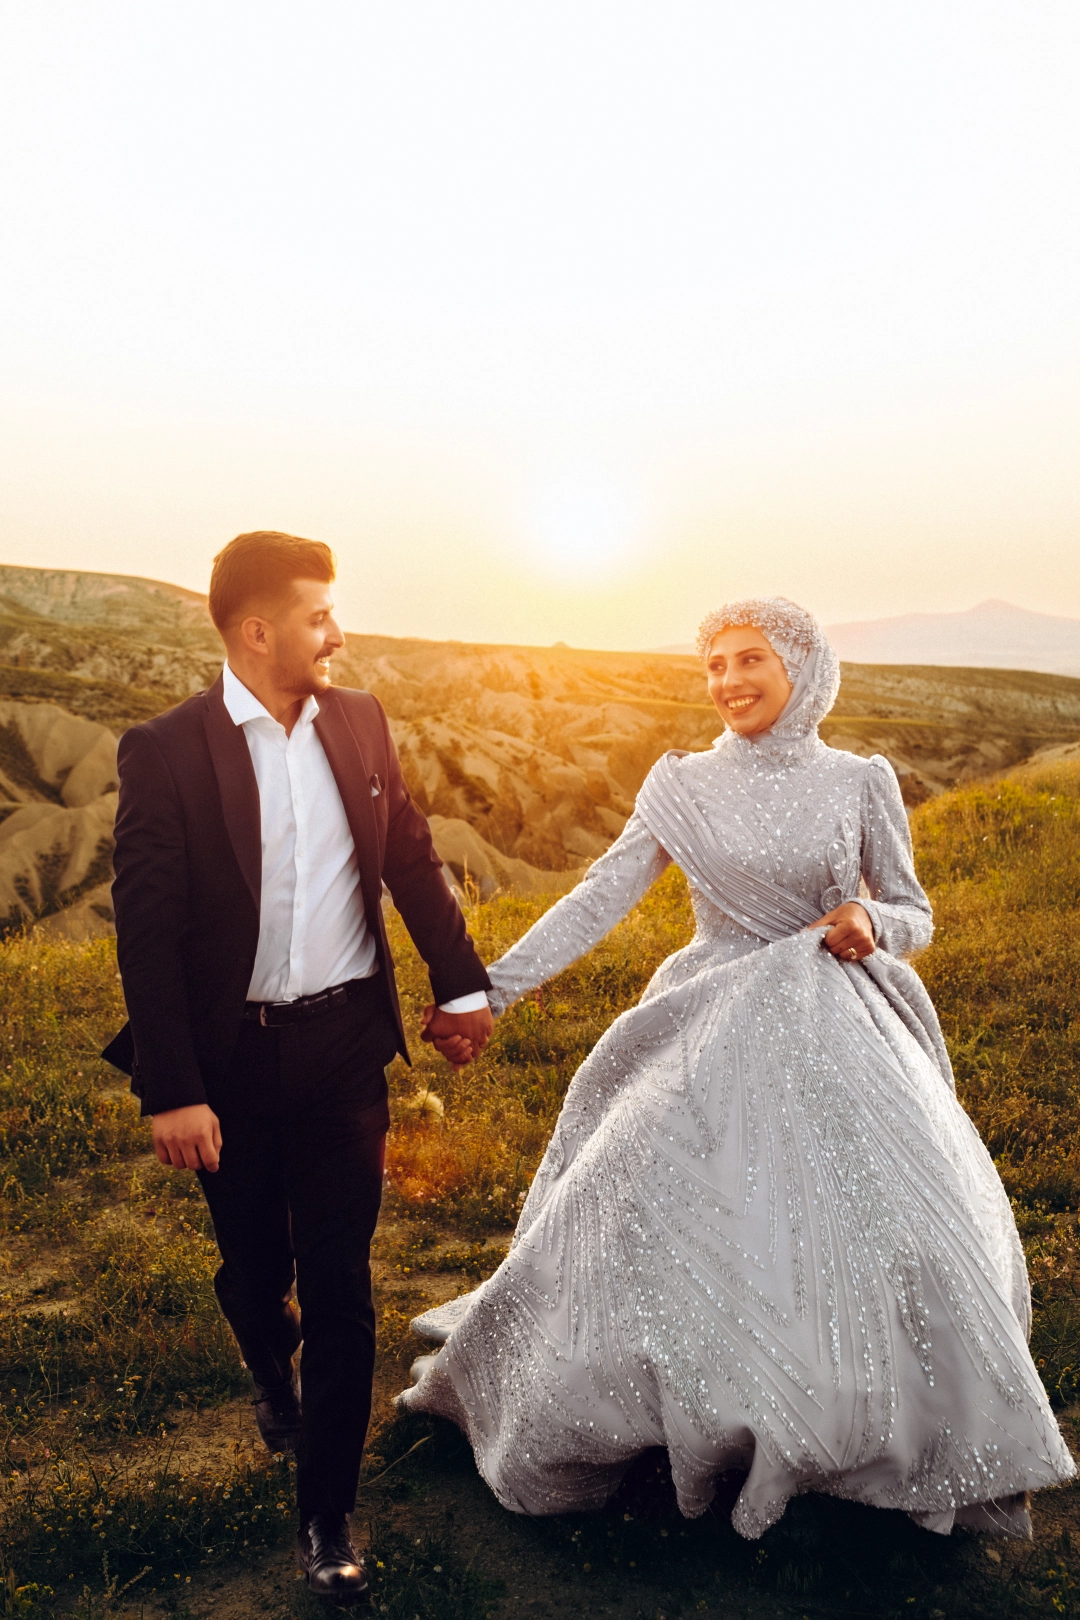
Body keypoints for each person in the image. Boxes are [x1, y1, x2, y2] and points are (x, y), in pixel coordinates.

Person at [400, 596, 1074, 1540]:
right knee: (639, 1200)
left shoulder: (860, 781)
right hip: (707, 1016)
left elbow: (914, 913)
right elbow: (598, 898)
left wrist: (870, 919)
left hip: (836, 1024)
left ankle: (862, 1428)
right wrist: (490, 991)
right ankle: (666, 1411)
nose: (729, 681)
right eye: (714, 664)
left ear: (803, 667)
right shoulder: (680, 784)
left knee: (890, 1223)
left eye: (751, 659)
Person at [103, 530, 493, 1604]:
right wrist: (175, 1090)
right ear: (256, 631)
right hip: (228, 1062)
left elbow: (408, 854)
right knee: (252, 1269)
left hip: (342, 1051)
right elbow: (147, 931)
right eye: (319, 617)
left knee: (341, 1283)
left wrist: (461, 983)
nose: (338, 634)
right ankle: (266, 1358)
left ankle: (327, 1515)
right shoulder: (166, 750)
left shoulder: (361, 721)